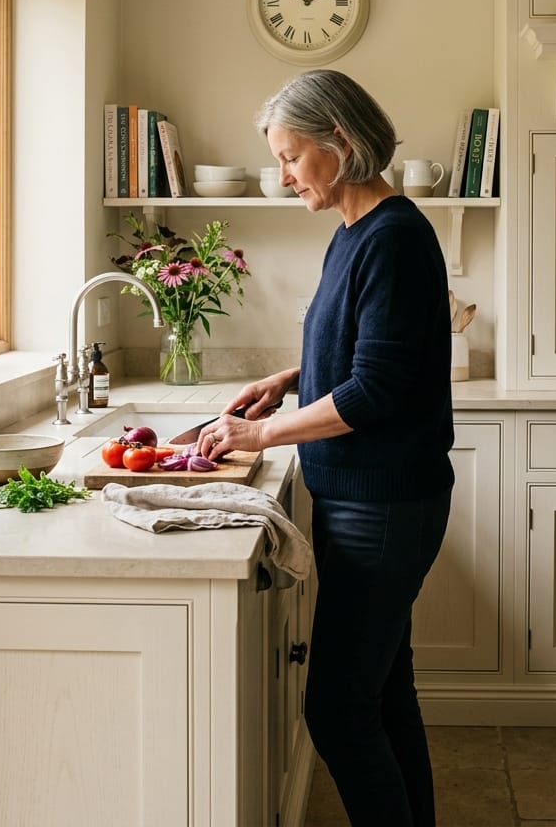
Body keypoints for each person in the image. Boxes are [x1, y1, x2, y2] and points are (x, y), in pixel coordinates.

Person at [198, 69, 454, 827]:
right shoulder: (354, 232)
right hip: (369, 500)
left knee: (339, 709)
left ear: (340, 143)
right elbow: (364, 350)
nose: (282, 177)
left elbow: (376, 390)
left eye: (291, 156)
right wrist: (289, 378)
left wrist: (261, 433)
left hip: (383, 506)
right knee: (382, 692)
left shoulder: (395, 238)